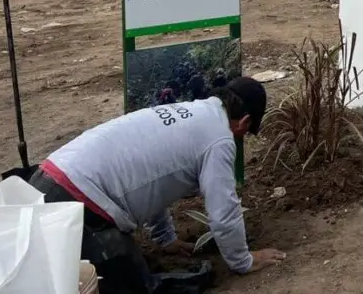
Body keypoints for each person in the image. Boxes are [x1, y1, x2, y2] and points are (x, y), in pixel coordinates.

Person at [28, 76, 286, 294]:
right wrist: (244, 261)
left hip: (45, 181)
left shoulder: (187, 113)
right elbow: (223, 211)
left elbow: (153, 179)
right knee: (132, 286)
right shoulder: (219, 138)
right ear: (244, 121)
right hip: (74, 204)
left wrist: (166, 239)